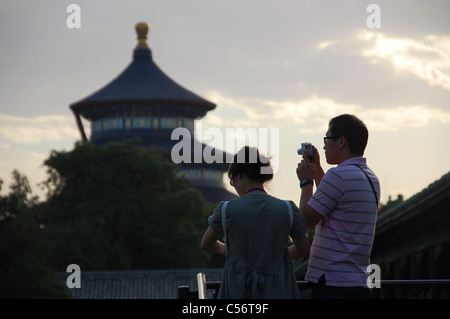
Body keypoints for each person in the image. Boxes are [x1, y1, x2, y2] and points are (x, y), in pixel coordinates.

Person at [201, 146, 310, 299]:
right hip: (278, 290)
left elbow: (206, 244)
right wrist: (275, 256)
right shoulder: (287, 209)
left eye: (232, 181)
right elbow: (304, 250)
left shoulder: (226, 210)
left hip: (237, 291)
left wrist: (231, 250)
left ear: (239, 176)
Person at [296, 114, 380, 299]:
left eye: (327, 139)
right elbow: (332, 197)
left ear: (341, 141)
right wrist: (316, 166)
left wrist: (306, 181)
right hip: (358, 282)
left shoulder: (339, 176)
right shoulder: (370, 177)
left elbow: (305, 220)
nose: (325, 145)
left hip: (333, 284)